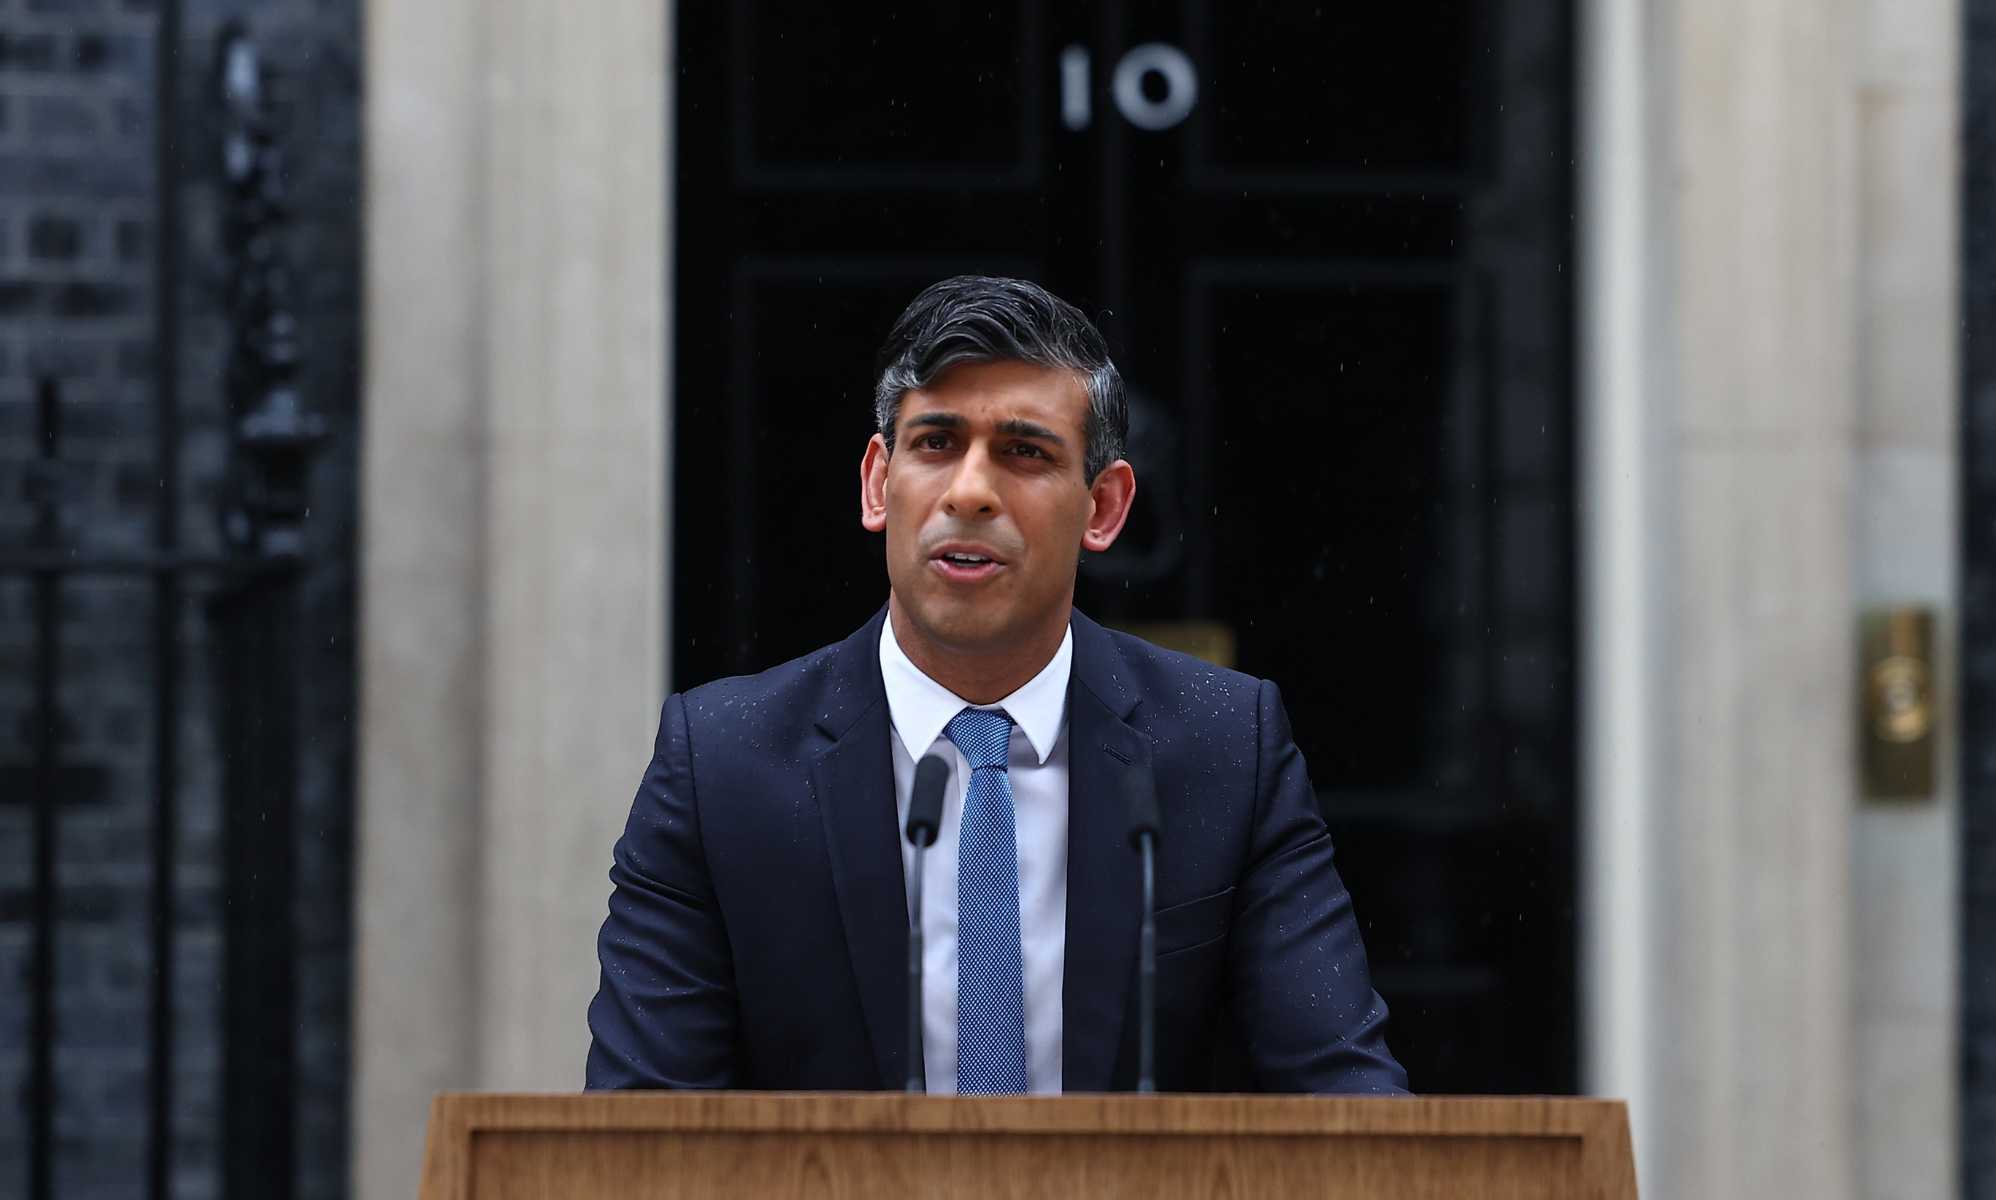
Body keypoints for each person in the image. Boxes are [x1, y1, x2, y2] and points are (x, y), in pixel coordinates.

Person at [585, 275, 1407, 1094]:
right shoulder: (722, 765)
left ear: (1104, 508)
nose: (970, 492)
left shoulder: (1227, 749)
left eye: (1025, 452)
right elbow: (639, 1138)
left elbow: (1348, 1107)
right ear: (879, 482)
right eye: (936, 443)